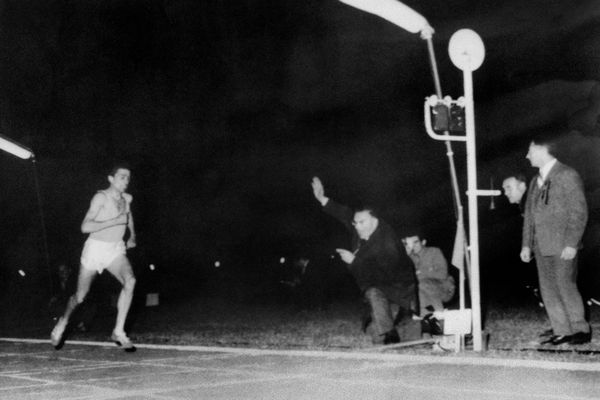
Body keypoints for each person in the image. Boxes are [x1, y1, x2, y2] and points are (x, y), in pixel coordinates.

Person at [311, 177, 417, 345]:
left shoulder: (387, 243)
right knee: (371, 331)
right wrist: (322, 198)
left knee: (374, 294)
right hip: (378, 290)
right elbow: (344, 213)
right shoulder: (359, 225)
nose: (357, 226)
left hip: (399, 289)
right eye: (355, 223)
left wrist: (354, 261)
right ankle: (388, 323)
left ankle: (393, 333)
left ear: (375, 221)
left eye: (361, 222)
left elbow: (381, 276)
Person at [50, 164, 138, 352]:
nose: (126, 181)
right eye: (122, 177)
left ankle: (119, 331)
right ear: (111, 179)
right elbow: (85, 226)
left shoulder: (127, 199)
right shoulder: (100, 197)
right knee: (80, 297)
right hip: (96, 249)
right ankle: (63, 322)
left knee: (130, 281)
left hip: (115, 249)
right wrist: (112, 222)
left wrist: (132, 236)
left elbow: (128, 217)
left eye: (128, 178)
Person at [521, 134, 590, 345]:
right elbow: (530, 215)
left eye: (530, 151)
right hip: (541, 245)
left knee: (565, 285)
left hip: (562, 244)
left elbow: (579, 212)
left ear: (542, 150)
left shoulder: (567, 174)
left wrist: (571, 243)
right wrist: (526, 244)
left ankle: (580, 329)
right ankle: (562, 329)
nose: (527, 156)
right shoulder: (535, 180)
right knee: (548, 288)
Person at [402, 234, 455, 316]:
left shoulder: (434, 251)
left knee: (421, 284)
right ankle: (427, 316)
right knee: (412, 290)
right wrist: (405, 257)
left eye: (416, 242)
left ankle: (440, 313)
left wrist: (420, 274)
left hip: (444, 289)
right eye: (410, 243)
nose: (413, 246)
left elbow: (443, 274)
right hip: (424, 292)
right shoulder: (409, 258)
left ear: (423, 242)